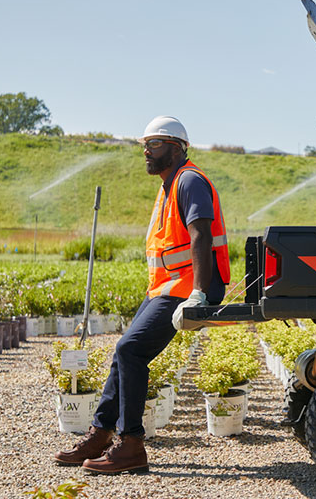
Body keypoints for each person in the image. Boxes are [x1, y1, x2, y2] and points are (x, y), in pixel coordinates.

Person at [55, 115, 231, 474]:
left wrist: (198, 294)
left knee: (129, 350)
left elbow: (201, 236)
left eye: (155, 145)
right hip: (169, 287)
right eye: (144, 145)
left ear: (177, 148)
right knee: (125, 354)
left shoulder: (190, 181)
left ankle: (131, 445)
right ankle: (101, 433)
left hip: (190, 288)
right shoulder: (169, 185)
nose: (146, 152)